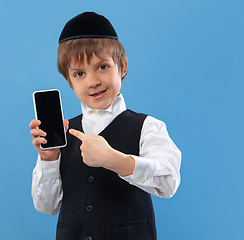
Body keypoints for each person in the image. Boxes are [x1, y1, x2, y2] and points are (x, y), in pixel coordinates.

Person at [29, 12, 181, 240]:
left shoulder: (148, 127)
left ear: (123, 67)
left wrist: (116, 160)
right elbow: (46, 207)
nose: (93, 81)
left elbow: (168, 182)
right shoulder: (62, 134)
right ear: (69, 81)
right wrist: (49, 160)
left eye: (102, 67)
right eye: (80, 73)